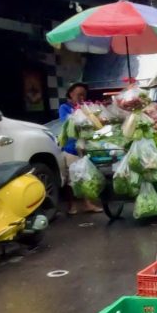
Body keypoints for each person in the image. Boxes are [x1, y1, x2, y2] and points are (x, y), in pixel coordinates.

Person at [58, 82, 102, 215]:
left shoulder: (86, 107)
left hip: (85, 147)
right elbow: (67, 122)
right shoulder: (64, 107)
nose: (82, 97)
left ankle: (88, 204)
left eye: (84, 94)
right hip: (71, 148)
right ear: (71, 94)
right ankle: (71, 206)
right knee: (71, 178)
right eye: (79, 94)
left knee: (86, 176)